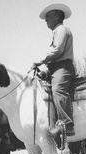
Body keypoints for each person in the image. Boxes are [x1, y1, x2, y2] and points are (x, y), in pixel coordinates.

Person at [32, 3, 76, 138]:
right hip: (54, 68)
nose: (46, 20)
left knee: (58, 90)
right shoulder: (56, 32)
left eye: (48, 17)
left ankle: (67, 124)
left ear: (57, 16)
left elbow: (57, 50)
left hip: (63, 68)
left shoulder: (62, 29)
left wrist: (41, 60)